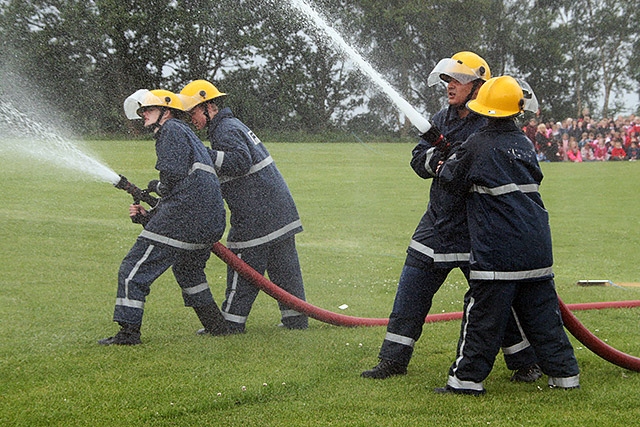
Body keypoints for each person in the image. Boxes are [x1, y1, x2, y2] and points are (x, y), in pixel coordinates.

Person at [361, 52, 540, 382]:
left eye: (457, 80)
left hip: (476, 226)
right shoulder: (440, 118)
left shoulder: (490, 122)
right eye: (447, 79)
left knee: (492, 301)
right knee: (410, 293)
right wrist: (439, 162)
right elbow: (419, 160)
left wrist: (454, 158)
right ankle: (393, 359)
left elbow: (479, 164)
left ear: (478, 86)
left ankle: (524, 362)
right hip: (437, 222)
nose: (449, 86)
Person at [435, 76, 580, 395]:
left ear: (484, 108)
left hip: (498, 251)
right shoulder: (525, 143)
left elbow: (449, 180)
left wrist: (449, 159)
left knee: (483, 318)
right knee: (545, 321)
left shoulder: (477, 143)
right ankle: (565, 377)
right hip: (537, 247)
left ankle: (465, 381)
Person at [178, 80, 308, 333]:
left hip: (257, 212)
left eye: (193, 113)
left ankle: (232, 323)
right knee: (284, 268)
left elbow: (239, 161)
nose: (192, 120)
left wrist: (200, 154)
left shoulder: (225, 130)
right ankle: (296, 319)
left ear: (208, 107)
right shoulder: (232, 125)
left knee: (242, 263)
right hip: (278, 209)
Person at [99, 89, 228, 345]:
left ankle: (128, 334)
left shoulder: (170, 131)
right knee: (188, 271)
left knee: (133, 269)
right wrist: (151, 215)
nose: (143, 114)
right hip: (208, 220)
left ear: (166, 111)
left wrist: (157, 188)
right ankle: (217, 325)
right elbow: (186, 187)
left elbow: (172, 177)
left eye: (148, 109)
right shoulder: (188, 135)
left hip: (185, 217)